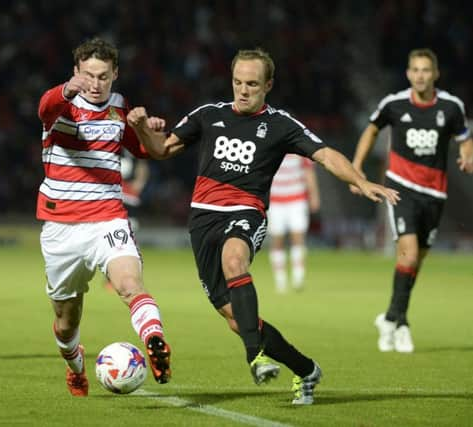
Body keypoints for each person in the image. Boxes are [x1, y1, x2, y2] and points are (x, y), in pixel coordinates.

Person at [127, 48, 399, 405]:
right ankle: (306, 370)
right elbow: (160, 150)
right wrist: (140, 129)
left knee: (234, 260)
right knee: (237, 319)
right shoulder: (209, 115)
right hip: (202, 221)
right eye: (238, 82)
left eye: (252, 84)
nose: (243, 90)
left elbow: (325, 154)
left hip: (245, 211)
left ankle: (254, 356)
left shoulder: (280, 124)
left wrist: (361, 181)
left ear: (268, 85)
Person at [36, 37, 171, 397]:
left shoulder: (119, 107)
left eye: (104, 77)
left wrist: (146, 126)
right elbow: (44, 107)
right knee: (66, 323)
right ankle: (75, 366)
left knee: (129, 284)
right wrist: (67, 89)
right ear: (77, 72)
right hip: (61, 225)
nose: (95, 85)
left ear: (115, 75)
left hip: (107, 217)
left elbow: (143, 150)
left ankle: (155, 339)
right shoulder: (61, 106)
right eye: (89, 76)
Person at [351, 48, 473, 353]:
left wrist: (467, 153)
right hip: (400, 188)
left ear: (435, 74)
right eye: (415, 70)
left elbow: (464, 134)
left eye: (425, 70)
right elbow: (371, 129)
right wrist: (356, 168)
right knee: (407, 254)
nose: (420, 75)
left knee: (415, 262)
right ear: (408, 74)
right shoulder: (393, 104)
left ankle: (391, 318)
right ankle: (402, 323)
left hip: (435, 193)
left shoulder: (451, 106)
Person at [267, 154, 320, 292]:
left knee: (298, 238)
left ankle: (298, 278)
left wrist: (314, 195)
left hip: (297, 199)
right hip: (275, 201)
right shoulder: (273, 146)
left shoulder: (299, 148)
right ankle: (280, 280)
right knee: (277, 240)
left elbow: (309, 172)